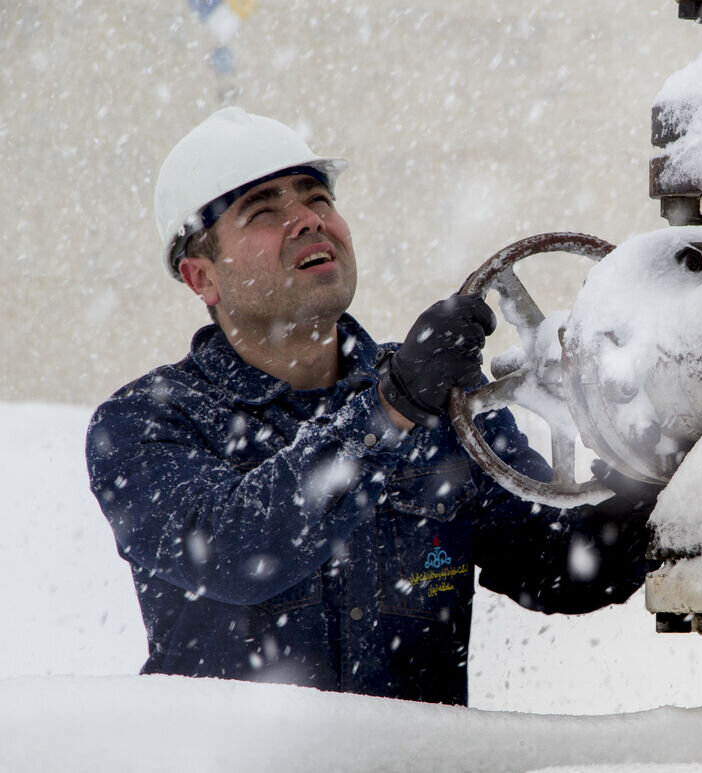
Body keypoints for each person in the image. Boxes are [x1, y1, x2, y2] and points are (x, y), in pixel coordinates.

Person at [86, 107, 657, 705]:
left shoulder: (444, 404)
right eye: (264, 211)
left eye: (317, 199)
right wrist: (388, 410)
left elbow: (561, 565)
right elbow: (238, 550)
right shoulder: (145, 425)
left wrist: (649, 457)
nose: (307, 220)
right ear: (202, 277)